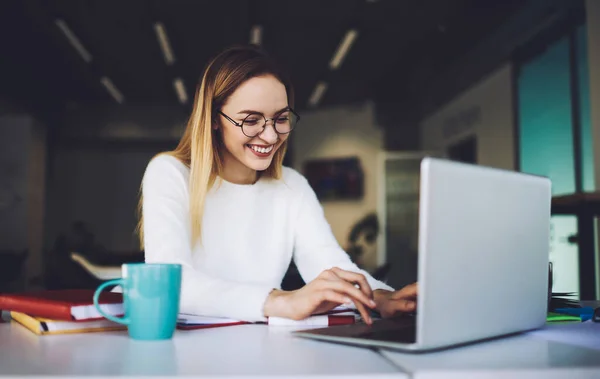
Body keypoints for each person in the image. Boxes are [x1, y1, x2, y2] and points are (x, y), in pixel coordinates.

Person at [137, 45, 417, 324]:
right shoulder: (170, 173)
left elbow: (328, 262)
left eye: (281, 119)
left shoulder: (291, 185)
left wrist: (379, 297)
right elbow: (169, 282)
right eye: (251, 120)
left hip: (265, 350)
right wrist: (282, 300)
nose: (270, 136)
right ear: (213, 119)